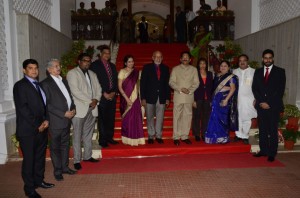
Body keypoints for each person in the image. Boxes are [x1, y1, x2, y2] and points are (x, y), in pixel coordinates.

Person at [13, 59, 54, 198]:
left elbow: (45, 105)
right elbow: (23, 109)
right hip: (28, 131)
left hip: (42, 129)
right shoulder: (20, 86)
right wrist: (38, 125)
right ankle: (29, 189)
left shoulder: (39, 85)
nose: (34, 71)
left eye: (36, 68)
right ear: (24, 70)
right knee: (29, 160)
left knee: (40, 158)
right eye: (30, 68)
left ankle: (39, 181)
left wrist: (46, 120)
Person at [41, 59, 77, 181]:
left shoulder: (64, 81)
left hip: (67, 120)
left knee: (65, 145)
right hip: (56, 121)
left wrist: (73, 109)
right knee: (55, 148)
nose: (59, 68)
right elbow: (47, 105)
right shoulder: (45, 84)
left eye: (59, 65)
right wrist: (63, 113)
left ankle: (65, 168)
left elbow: (69, 97)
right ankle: (57, 171)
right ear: (49, 69)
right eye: (56, 66)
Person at [67, 53, 101, 170]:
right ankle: (77, 159)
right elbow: (75, 91)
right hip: (79, 109)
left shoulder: (93, 74)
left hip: (92, 108)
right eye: (85, 60)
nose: (87, 62)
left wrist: (96, 99)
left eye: (89, 61)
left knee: (88, 134)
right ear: (79, 61)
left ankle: (87, 156)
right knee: (77, 135)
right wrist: (90, 101)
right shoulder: (72, 73)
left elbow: (98, 88)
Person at [252, 49, 286, 162]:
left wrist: (269, 103)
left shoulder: (280, 72)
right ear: (262, 59)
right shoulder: (257, 72)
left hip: (273, 106)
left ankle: (272, 153)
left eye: (270, 57)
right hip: (261, 106)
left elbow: (280, 91)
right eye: (265, 58)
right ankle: (264, 150)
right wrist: (261, 102)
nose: (268, 60)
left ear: (273, 58)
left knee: (272, 130)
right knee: (262, 129)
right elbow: (255, 88)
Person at [90, 45, 119, 148]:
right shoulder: (94, 65)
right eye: (105, 53)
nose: (107, 55)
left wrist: (114, 92)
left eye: (108, 53)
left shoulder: (112, 66)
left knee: (111, 118)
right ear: (101, 54)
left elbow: (115, 80)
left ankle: (109, 137)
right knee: (102, 119)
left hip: (112, 96)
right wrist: (103, 93)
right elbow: (94, 82)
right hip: (101, 96)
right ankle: (102, 140)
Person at [169, 51, 200, 146]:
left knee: (187, 117)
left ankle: (185, 136)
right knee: (177, 117)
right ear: (180, 59)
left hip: (189, 96)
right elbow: (171, 82)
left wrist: (190, 90)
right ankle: (176, 137)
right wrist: (179, 89)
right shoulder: (175, 69)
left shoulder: (194, 69)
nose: (185, 58)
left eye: (187, 57)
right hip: (178, 96)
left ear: (190, 59)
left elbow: (196, 82)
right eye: (183, 57)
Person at [141, 51, 171, 144]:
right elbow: (142, 84)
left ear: (162, 58)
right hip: (149, 96)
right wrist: (143, 98)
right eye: (156, 57)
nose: (158, 58)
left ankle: (158, 135)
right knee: (149, 117)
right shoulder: (146, 68)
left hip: (161, 97)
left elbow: (167, 84)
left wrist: (167, 98)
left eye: (160, 57)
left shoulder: (166, 68)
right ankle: (150, 135)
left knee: (160, 117)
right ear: (152, 58)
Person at [205, 60, 238, 144]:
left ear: (229, 67)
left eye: (225, 66)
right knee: (214, 117)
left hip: (224, 99)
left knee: (222, 119)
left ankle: (222, 137)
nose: (223, 67)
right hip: (216, 99)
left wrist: (226, 99)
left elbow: (233, 88)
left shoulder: (231, 77)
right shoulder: (217, 76)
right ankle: (214, 137)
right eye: (221, 66)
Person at [118, 55, 145, 146]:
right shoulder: (122, 71)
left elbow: (139, 87)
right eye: (129, 61)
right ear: (125, 63)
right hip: (126, 99)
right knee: (128, 119)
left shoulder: (137, 72)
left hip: (136, 98)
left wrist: (140, 98)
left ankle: (138, 139)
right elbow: (120, 87)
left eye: (132, 61)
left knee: (136, 119)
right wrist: (126, 98)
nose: (131, 63)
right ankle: (127, 139)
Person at [232, 54, 257, 145]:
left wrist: (256, 98)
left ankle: (245, 136)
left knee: (247, 118)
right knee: (238, 117)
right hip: (237, 99)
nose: (242, 62)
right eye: (240, 61)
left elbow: (258, 87)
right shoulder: (234, 71)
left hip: (249, 99)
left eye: (244, 60)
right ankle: (238, 135)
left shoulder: (253, 72)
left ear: (247, 61)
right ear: (238, 62)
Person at [192, 58, 213, 141]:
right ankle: (197, 134)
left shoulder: (210, 73)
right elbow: (192, 87)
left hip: (207, 98)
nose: (202, 65)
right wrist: (193, 100)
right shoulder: (195, 73)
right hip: (197, 98)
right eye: (201, 63)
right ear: (198, 65)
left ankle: (204, 133)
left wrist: (211, 99)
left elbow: (212, 87)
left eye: (204, 63)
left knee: (206, 117)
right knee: (196, 117)